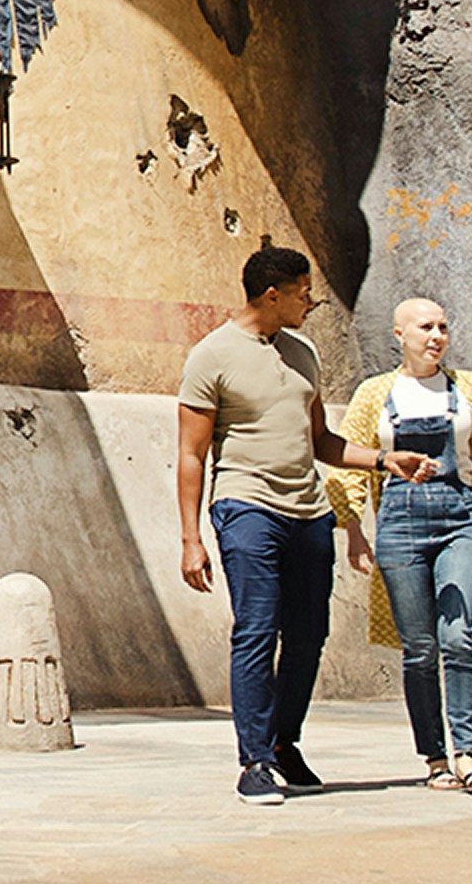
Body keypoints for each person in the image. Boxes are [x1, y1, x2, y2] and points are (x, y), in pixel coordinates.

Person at [177, 244, 434, 805]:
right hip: (246, 509)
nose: (310, 301)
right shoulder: (211, 356)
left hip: (309, 512)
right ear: (273, 295)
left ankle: (283, 741)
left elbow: (322, 442)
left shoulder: (304, 353)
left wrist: (386, 459)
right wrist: (191, 538)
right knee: (255, 631)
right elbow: (192, 455)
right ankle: (255, 762)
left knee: (309, 636)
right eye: (302, 292)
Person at [326, 298, 472, 793]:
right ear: (398, 334)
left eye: (443, 327)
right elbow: (351, 458)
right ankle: (434, 759)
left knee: (457, 636)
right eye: (425, 327)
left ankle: (467, 753)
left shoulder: (469, 389)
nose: (436, 336)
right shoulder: (374, 393)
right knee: (420, 648)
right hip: (400, 527)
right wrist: (354, 528)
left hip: (461, 520)